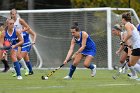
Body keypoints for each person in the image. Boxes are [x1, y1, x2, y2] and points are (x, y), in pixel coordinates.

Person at [10, 8, 33, 76]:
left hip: (20, 40)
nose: (13, 15)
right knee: (14, 56)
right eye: (12, 14)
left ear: (16, 14)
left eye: (14, 14)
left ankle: (21, 70)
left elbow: (28, 27)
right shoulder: (9, 21)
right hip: (13, 40)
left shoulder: (20, 20)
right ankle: (24, 69)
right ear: (10, 14)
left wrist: (21, 31)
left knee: (17, 55)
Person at [121, 12, 140, 80]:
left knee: (132, 64)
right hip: (136, 46)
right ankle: (134, 76)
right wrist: (131, 45)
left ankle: (135, 76)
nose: (121, 21)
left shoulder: (127, 25)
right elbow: (134, 36)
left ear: (123, 19)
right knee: (131, 63)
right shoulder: (130, 24)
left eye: (121, 19)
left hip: (138, 46)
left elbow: (130, 34)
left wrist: (123, 41)